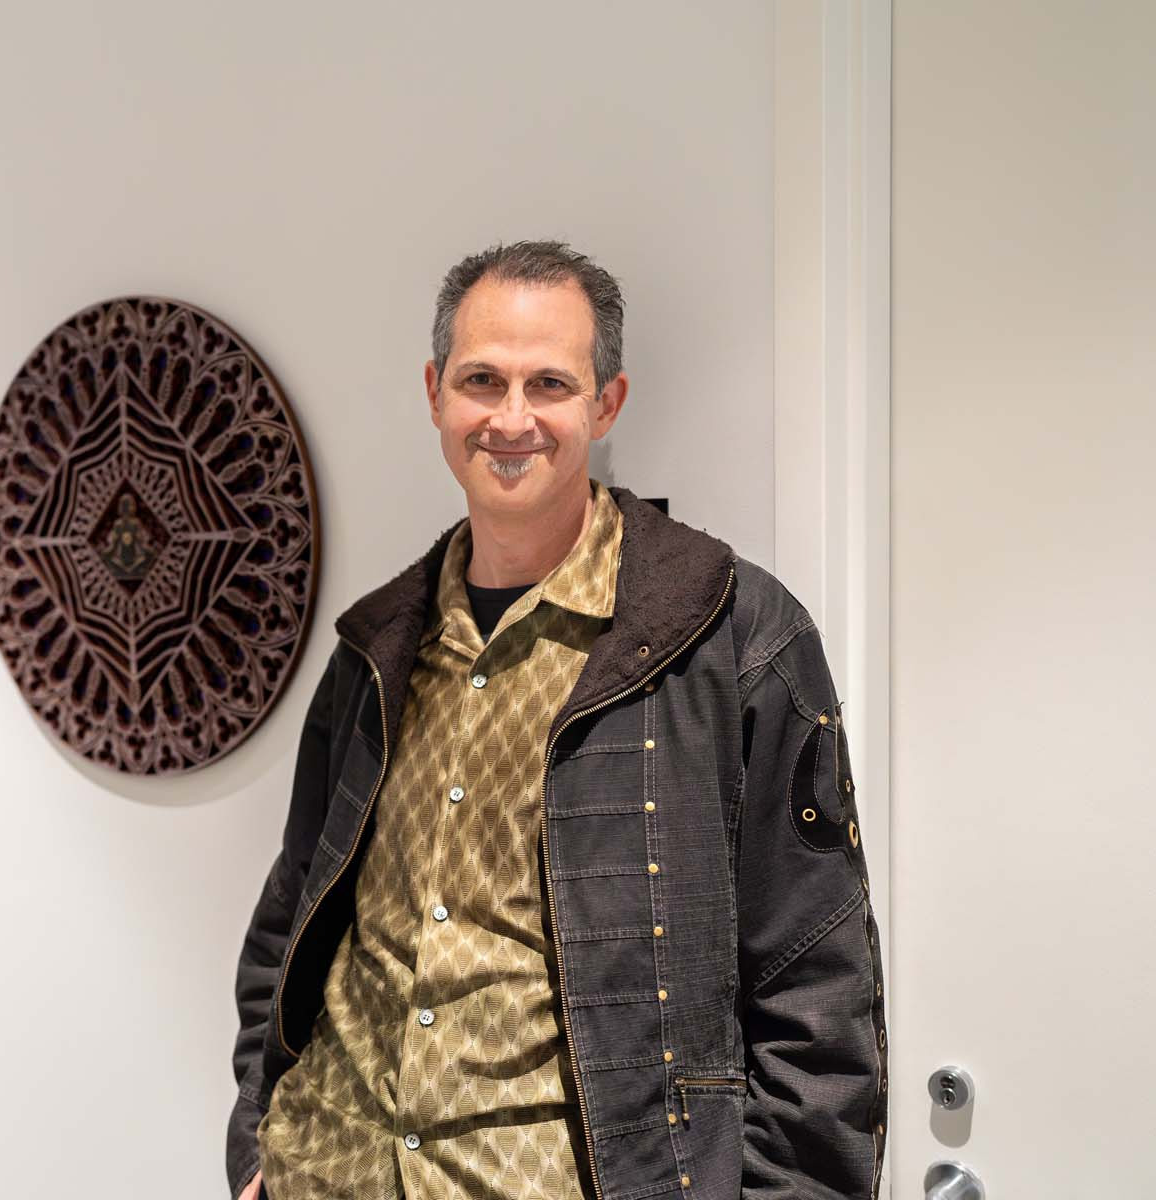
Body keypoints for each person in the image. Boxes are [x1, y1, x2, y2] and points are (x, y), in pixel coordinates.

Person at [227, 240, 887, 1200]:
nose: (510, 418)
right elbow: (290, 920)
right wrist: (258, 1140)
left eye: (548, 384)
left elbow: (817, 990)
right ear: (434, 394)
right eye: (480, 380)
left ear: (604, 404)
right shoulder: (377, 648)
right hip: (324, 1172)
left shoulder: (729, 634)